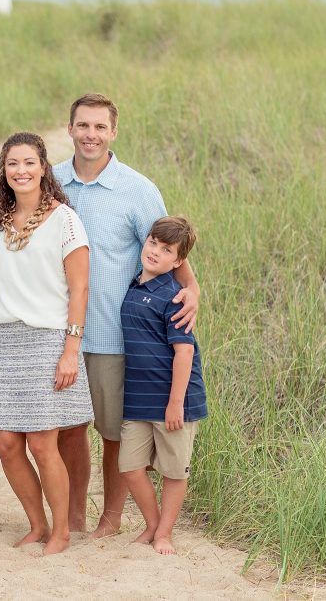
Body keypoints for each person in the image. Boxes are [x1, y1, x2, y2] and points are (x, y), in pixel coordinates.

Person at [52, 93, 200, 539]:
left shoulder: (138, 189)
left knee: (115, 433)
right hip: (61, 334)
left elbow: (173, 250)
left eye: (100, 127)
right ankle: (73, 516)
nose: (91, 134)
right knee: (68, 431)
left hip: (117, 338)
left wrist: (193, 290)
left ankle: (110, 519)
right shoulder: (52, 182)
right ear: (71, 128)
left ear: (113, 132)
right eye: (83, 125)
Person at [0, 132, 93, 556]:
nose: (21, 171)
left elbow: (79, 289)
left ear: (44, 167)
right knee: (7, 445)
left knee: (44, 444)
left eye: (29, 162)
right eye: (12, 164)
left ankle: (62, 532)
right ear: (4, 171)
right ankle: (37, 524)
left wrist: (71, 349)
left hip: (49, 340)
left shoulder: (65, 220)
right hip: (7, 341)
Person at [119, 216, 207, 556]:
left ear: (179, 261)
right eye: (153, 243)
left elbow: (184, 353)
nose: (155, 251)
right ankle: (153, 524)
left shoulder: (175, 297)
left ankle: (165, 533)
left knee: (173, 469)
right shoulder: (133, 285)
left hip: (174, 398)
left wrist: (175, 403)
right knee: (129, 466)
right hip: (138, 398)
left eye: (165, 249)